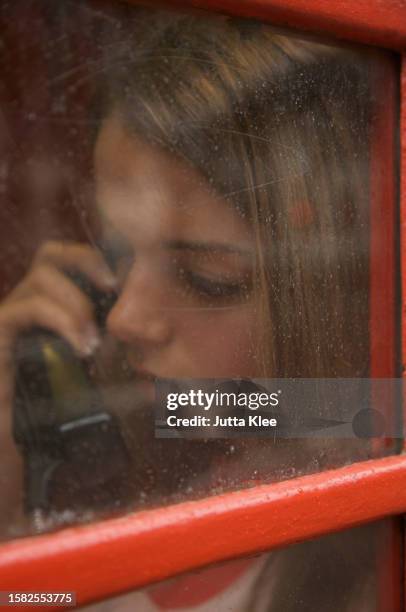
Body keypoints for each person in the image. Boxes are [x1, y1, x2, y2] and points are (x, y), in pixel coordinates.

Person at [0, 6, 381, 610]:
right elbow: (38, 597)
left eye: (209, 278)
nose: (126, 318)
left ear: (334, 290)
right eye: (118, 257)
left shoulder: (368, 551)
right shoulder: (164, 453)